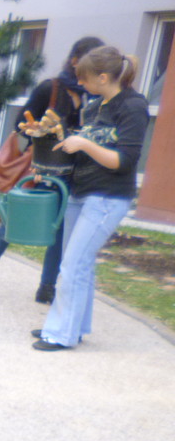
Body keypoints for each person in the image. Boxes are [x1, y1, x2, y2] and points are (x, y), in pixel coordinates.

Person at [0, 36, 104, 303]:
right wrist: (41, 133)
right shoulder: (49, 88)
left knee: (59, 233)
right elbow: (19, 125)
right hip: (39, 172)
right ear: (75, 61)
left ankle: (46, 287)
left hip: (72, 177)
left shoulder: (89, 97)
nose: (93, 74)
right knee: (10, 224)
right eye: (90, 65)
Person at [32, 46, 150, 351]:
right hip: (80, 192)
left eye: (83, 78)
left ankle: (61, 334)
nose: (80, 84)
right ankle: (72, 326)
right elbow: (80, 151)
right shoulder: (95, 107)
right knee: (77, 264)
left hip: (108, 197)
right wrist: (52, 137)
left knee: (73, 264)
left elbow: (124, 160)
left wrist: (83, 142)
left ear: (102, 76)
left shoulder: (133, 105)